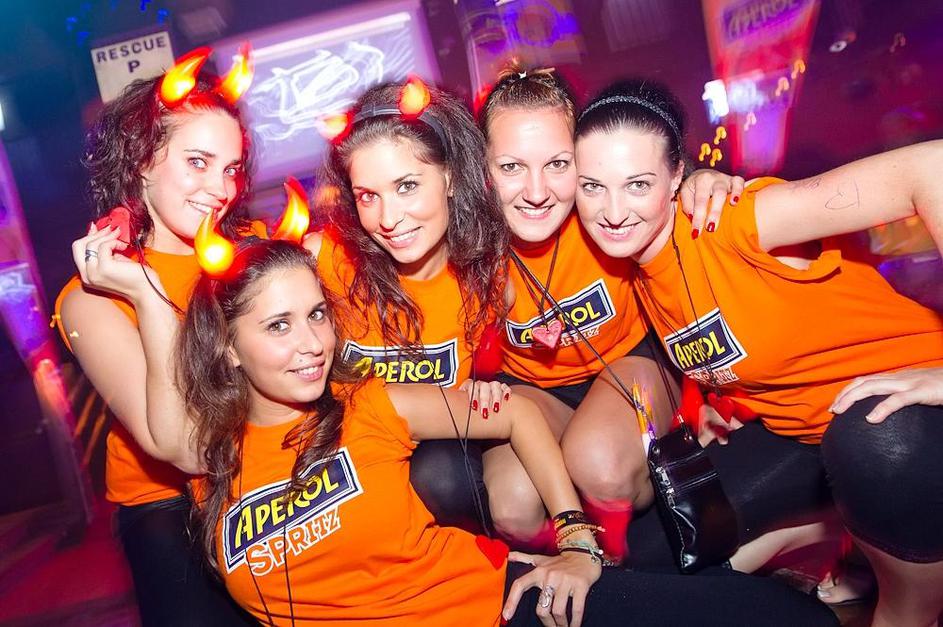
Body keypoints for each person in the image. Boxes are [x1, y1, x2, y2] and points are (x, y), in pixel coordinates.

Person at [75, 233, 839, 626]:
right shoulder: (205, 462)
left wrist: (575, 539)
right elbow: (165, 418)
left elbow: (514, 410)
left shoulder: (370, 403)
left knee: (779, 621)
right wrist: (142, 291)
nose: (310, 343)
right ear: (228, 349)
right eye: (278, 325)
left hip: (499, 608)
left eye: (315, 315)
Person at [573, 78, 943, 627]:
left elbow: (930, 168)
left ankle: (909, 602)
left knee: (875, 443)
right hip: (807, 439)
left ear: (676, 178)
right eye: (592, 186)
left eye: (637, 184)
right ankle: (846, 527)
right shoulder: (633, 268)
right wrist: (712, 400)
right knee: (653, 561)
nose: (612, 210)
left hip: (903, 425)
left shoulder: (737, 220)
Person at [476, 67, 744, 556]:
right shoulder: (471, 245)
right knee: (512, 507)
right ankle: (584, 564)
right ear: (482, 167)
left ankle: (637, 556)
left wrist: (699, 182)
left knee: (599, 465)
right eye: (511, 166)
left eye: (558, 164)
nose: (536, 192)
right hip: (535, 391)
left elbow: (664, 203)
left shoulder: (606, 213)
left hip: (630, 363)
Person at [54, 64, 260, 624]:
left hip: (271, 466)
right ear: (142, 160)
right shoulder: (91, 298)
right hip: (169, 506)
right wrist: (147, 296)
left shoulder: (257, 253)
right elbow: (187, 448)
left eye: (231, 168)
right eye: (198, 162)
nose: (221, 189)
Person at [307, 79, 511, 534]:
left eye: (406, 186)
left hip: (438, 462)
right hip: (345, 459)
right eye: (368, 196)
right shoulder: (322, 263)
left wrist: (487, 385)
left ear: (450, 177)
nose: (388, 219)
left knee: (443, 475)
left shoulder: (488, 276)